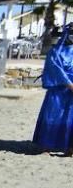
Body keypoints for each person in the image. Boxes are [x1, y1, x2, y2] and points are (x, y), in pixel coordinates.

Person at [32, 25, 73, 155]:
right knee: (52, 117)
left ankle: (70, 148)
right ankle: (46, 146)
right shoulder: (55, 51)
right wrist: (68, 84)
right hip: (58, 91)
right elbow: (55, 68)